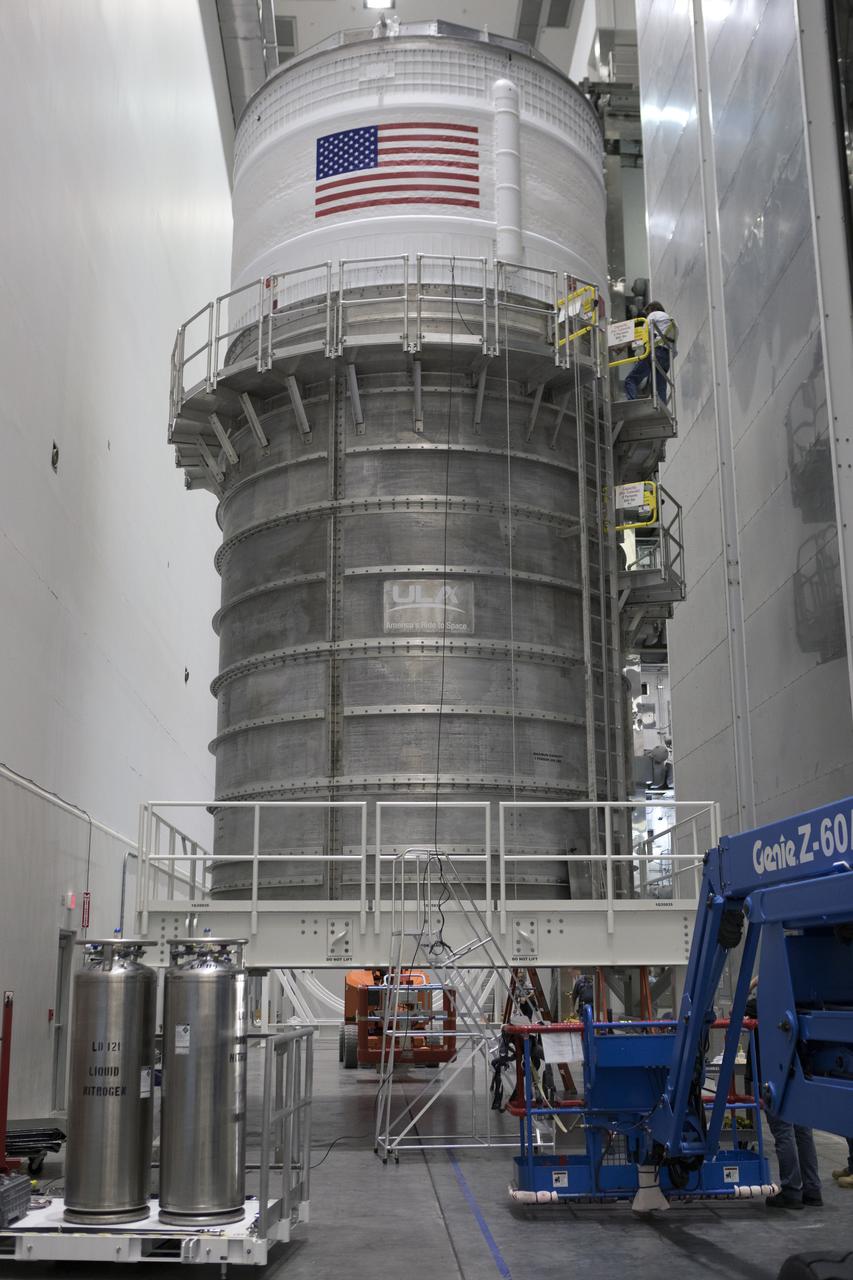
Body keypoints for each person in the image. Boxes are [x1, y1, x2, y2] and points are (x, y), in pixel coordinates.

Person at [745, 977, 823, 1209]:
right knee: (803, 1130)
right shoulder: (799, 1000)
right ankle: (812, 1189)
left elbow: (734, 1009)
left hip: (773, 1073)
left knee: (782, 1131)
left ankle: (791, 1190)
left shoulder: (763, 1003)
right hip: (799, 1071)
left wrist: (751, 984)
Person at [624, 301, 677, 403]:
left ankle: (633, 404)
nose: (647, 316)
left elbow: (642, 333)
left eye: (647, 313)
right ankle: (661, 410)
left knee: (631, 380)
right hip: (667, 357)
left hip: (656, 352)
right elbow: (674, 351)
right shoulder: (672, 323)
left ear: (652, 309)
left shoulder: (654, 315)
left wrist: (622, 346)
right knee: (659, 386)